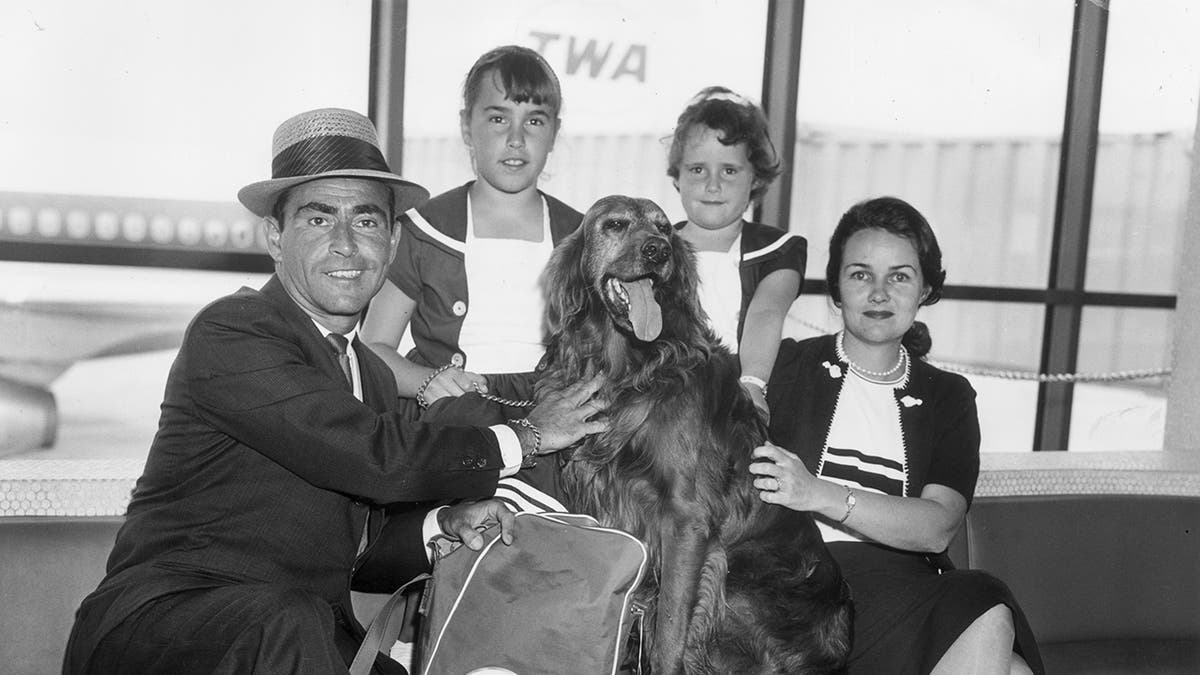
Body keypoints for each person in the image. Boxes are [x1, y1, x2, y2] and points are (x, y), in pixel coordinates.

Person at [62, 108, 607, 675]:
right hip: (166, 629)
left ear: (393, 241)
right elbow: (370, 456)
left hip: (296, 635)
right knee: (292, 625)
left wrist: (440, 525)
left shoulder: (369, 374)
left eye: (367, 222)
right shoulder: (234, 330)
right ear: (276, 236)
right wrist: (527, 435)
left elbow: (360, 557)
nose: (347, 245)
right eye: (319, 221)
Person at [748, 196, 1043, 674]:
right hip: (791, 585)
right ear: (837, 290)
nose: (879, 293)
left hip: (904, 587)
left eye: (899, 276)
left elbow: (936, 527)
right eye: (861, 274)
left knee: (982, 603)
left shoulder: (948, 396)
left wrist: (819, 493)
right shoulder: (785, 367)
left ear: (925, 289)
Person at [361, 45, 582, 408]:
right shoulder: (425, 230)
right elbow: (373, 347)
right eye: (498, 118)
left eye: (534, 120)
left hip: (550, 413)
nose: (516, 138)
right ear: (467, 126)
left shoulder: (580, 235)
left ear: (554, 132)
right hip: (452, 420)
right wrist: (428, 382)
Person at [666, 86, 806, 420]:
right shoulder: (657, 245)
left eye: (729, 171)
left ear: (755, 178)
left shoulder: (776, 250)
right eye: (698, 169)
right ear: (677, 176)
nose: (712, 185)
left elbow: (765, 313)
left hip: (734, 398)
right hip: (663, 396)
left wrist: (753, 384)